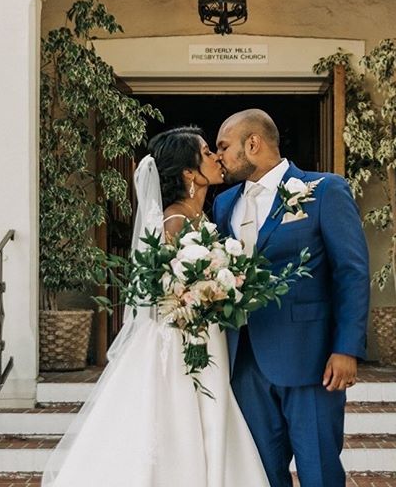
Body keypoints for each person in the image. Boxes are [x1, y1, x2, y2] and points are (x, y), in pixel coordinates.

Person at [42, 126, 269, 487]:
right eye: (207, 152)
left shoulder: (202, 216)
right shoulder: (174, 220)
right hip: (182, 342)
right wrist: (207, 292)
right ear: (189, 173)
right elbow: (165, 290)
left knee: (212, 412)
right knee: (183, 418)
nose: (216, 157)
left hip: (204, 333)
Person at [213, 109, 370, 487]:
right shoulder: (224, 204)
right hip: (245, 362)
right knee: (261, 475)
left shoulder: (324, 190)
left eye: (223, 146)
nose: (219, 156)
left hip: (311, 360)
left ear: (253, 143)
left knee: (320, 472)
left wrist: (347, 347)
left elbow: (351, 272)